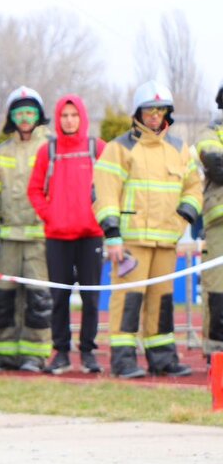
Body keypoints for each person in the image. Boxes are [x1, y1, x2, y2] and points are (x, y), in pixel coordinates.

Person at [93, 80, 203, 378]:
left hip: (167, 242)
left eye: (160, 110)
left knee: (163, 301)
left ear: (167, 113)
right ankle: (124, 360)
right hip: (131, 241)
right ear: (137, 114)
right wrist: (112, 234)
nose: (154, 116)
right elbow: (104, 194)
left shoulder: (179, 149)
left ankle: (163, 358)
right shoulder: (119, 149)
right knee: (128, 301)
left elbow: (194, 188)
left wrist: (183, 218)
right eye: (148, 110)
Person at [27, 94, 105, 374]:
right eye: (64, 115)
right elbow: (34, 190)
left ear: (82, 117)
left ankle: (88, 352)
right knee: (58, 297)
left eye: (74, 115)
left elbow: (113, 185)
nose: (69, 120)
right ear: (58, 119)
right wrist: (51, 215)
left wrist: (101, 216)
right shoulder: (47, 152)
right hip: (57, 237)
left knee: (91, 298)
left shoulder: (98, 148)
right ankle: (60, 352)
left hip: (91, 236)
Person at [0, 87, 53, 373]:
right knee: (6, 297)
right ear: (11, 116)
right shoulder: (2, 153)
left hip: (40, 238)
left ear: (38, 115)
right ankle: (5, 352)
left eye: (30, 112)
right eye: (19, 112)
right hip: (9, 238)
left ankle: (34, 355)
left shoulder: (50, 147)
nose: (25, 118)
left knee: (38, 297)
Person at [194, 79, 223, 366]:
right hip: (220, 225)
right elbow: (217, 165)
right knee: (219, 289)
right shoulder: (210, 133)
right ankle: (218, 353)